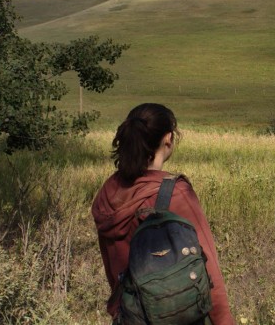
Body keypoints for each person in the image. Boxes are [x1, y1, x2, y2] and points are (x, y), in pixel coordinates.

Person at [92, 103, 234, 324]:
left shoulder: (108, 194)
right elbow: (209, 271)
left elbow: (113, 273)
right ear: (168, 138)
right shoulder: (176, 194)